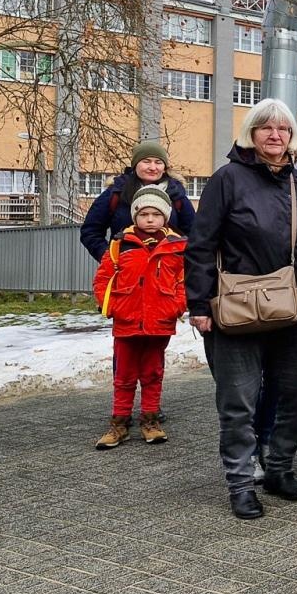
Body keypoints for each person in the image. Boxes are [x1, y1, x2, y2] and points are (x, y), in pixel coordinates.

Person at [186, 98, 297, 520]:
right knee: (239, 402)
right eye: (265, 128)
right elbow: (200, 246)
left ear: (292, 138)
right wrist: (198, 303)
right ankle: (240, 483)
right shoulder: (227, 179)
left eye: (283, 129)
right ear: (250, 133)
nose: (275, 135)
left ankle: (279, 468)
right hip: (237, 309)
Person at [90, 186, 186, 449]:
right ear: (135, 216)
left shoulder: (177, 247)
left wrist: (176, 306)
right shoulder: (120, 245)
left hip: (159, 322)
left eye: (156, 214)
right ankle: (119, 424)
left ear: (165, 218)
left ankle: (151, 421)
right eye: (144, 213)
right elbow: (103, 278)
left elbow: (183, 282)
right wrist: (110, 306)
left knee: (153, 373)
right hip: (126, 321)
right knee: (124, 375)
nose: (150, 219)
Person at [79, 140, 196, 262]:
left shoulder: (177, 195)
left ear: (165, 167)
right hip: (126, 273)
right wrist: (109, 258)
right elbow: (90, 231)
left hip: (166, 274)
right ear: (135, 165)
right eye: (146, 161)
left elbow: (194, 234)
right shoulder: (117, 192)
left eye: (158, 162)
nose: (152, 167)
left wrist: (179, 261)